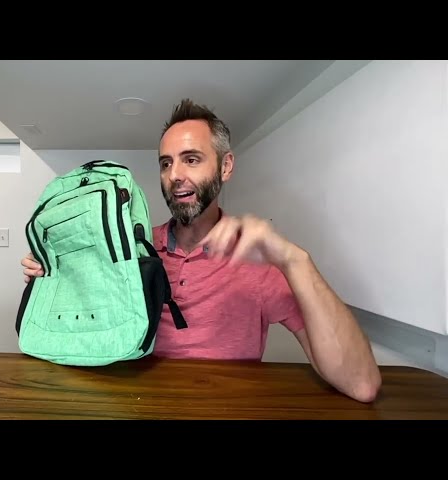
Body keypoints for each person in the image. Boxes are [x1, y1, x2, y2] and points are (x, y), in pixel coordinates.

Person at [21, 98, 382, 403]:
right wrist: (56, 273)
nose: (174, 175)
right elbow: (85, 325)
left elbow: (361, 384)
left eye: (191, 159)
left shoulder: (260, 262)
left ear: (225, 167)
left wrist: (294, 259)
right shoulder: (134, 250)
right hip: (135, 406)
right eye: (166, 163)